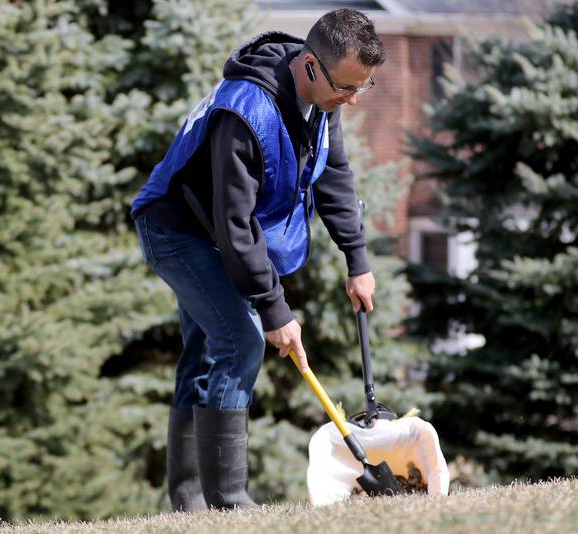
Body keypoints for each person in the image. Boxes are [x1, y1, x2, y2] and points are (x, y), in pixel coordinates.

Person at [130, 8, 386, 510]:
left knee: (206, 349)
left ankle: (190, 503)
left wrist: (357, 259)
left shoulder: (322, 97)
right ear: (311, 66)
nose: (353, 100)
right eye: (347, 88)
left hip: (215, 229)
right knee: (240, 340)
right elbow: (235, 222)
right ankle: (227, 502)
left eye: (365, 87)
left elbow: (334, 175)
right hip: (177, 229)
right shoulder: (246, 110)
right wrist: (274, 308)